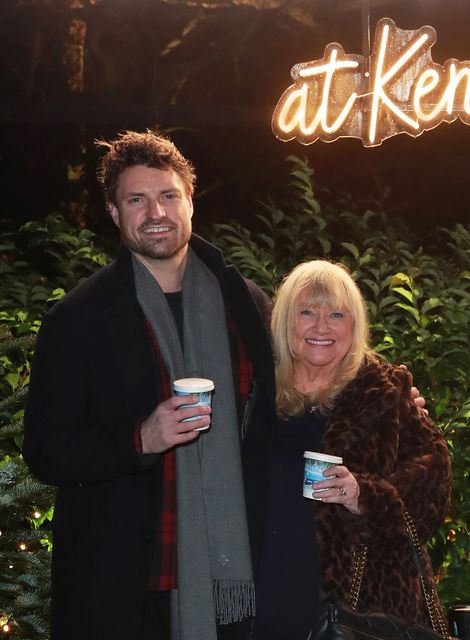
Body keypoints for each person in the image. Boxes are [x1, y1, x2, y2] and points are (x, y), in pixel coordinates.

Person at [23, 130, 277, 640]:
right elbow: (45, 451)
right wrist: (140, 437)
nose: (155, 212)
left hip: (234, 570)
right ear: (115, 214)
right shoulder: (78, 319)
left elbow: (298, 392)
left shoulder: (245, 304)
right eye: (136, 200)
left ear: (190, 202)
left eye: (167, 196)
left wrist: (390, 398)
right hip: (126, 584)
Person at [253, 260, 452, 639]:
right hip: (262, 590)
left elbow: (435, 484)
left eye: (336, 314)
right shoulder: (254, 390)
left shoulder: (385, 392)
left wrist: (364, 495)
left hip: (357, 606)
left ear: (354, 324)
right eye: (307, 312)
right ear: (284, 321)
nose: (322, 327)